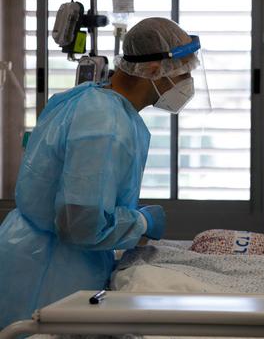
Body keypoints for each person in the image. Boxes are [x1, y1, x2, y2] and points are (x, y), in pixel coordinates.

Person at [0, 17, 199, 327]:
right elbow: (79, 223)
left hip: (32, 253)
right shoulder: (105, 125)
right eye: (184, 71)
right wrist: (141, 221)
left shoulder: (89, 98)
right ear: (153, 70)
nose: (188, 82)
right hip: (48, 271)